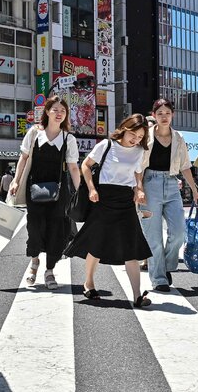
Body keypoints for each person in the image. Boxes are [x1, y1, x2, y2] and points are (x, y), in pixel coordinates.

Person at [65, 114, 154, 308]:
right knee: (97, 245)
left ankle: (137, 295)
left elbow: (138, 172)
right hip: (103, 198)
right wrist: (91, 188)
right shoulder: (106, 145)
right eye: (134, 135)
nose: (136, 140)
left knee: (131, 247)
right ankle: (88, 282)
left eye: (140, 137)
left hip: (126, 200)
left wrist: (139, 188)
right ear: (125, 128)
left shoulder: (139, 151)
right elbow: (86, 166)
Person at [8, 96, 81, 290]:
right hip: (35, 189)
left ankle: (49, 271)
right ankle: (34, 262)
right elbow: (23, 159)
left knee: (56, 230)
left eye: (63, 111)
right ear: (47, 111)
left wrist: (81, 191)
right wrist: (16, 181)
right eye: (55, 109)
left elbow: (73, 167)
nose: (59, 113)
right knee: (34, 227)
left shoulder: (68, 138)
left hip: (59, 192)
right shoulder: (34, 133)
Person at [140, 98, 198, 292]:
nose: (164, 117)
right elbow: (138, 166)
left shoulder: (179, 138)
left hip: (172, 184)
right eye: (160, 114)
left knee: (179, 232)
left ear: (172, 115)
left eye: (167, 113)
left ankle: (165, 266)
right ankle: (159, 279)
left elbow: (185, 166)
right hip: (150, 184)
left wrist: (194, 188)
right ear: (153, 116)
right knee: (154, 236)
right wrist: (138, 188)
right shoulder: (145, 136)